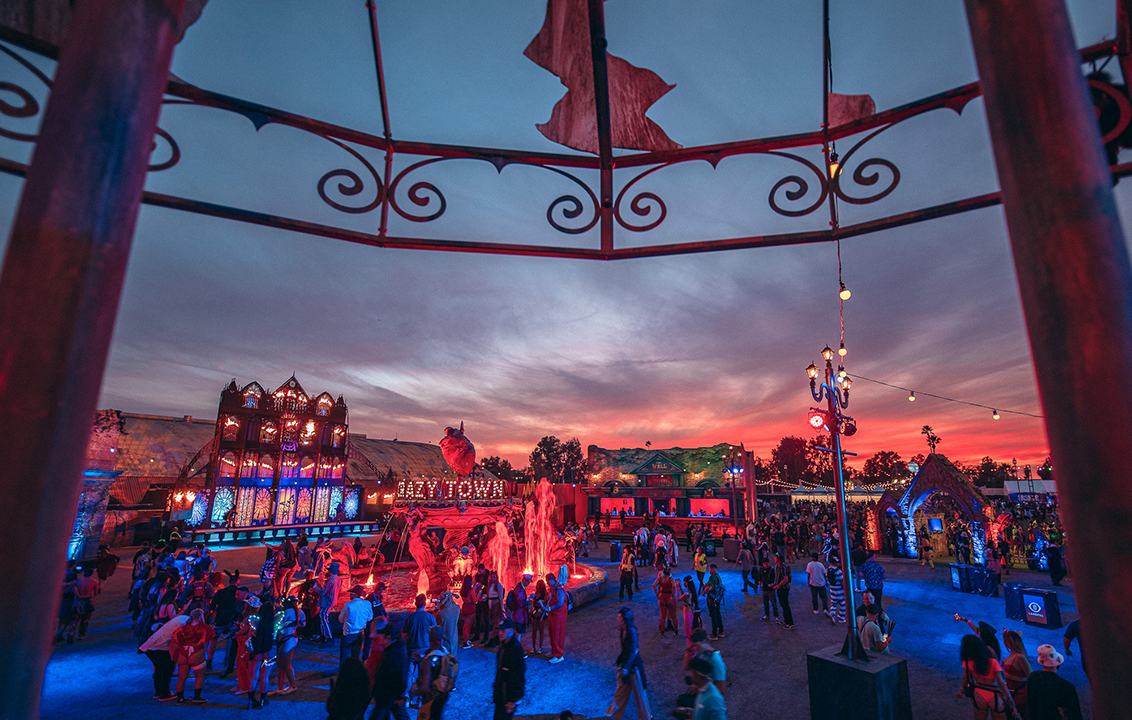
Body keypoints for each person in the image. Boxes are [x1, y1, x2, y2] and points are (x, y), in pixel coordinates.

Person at [957, 634, 1017, 720]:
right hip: (994, 695)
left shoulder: (967, 662)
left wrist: (962, 690)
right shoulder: (993, 662)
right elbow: (1001, 683)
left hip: (978, 693)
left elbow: (966, 678)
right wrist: (1012, 704)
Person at [607, 607, 651, 720]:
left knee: (640, 695)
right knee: (620, 693)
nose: (618, 619)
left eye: (620, 617)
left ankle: (646, 718)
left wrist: (626, 667)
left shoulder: (631, 631)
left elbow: (633, 650)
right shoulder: (623, 629)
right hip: (627, 665)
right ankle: (614, 716)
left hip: (634, 667)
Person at [139, 611, 188, 701]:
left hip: (149, 646)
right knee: (167, 669)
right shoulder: (183, 623)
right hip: (158, 647)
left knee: (159, 669)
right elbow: (178, 640)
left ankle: (158, 692)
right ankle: (165, 694)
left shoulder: (180, 619)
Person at [170, 608, 214, 703]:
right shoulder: (204, 628)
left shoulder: (182, 629)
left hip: (183, 653)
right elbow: (211, 637)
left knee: (181, 677)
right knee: (200, 676)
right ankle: (197, 697)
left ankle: (180, 698)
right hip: (196, 653)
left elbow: (175, 640)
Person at [1026, 644, 1081, 720]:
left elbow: (1031, 705)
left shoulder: (1032, 678)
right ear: (1058, 663)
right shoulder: (1066, 687)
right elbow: (1075, 715)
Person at [372, 621, 410, 720]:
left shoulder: (393, 654)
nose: (379, 637)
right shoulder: (393, 649)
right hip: (387, 695)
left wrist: (399, 696)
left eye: (382, 635)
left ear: (388, 638)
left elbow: (399, 675)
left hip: (389, 696)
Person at [418, 625, 457, 719]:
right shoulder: (447, 655)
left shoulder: (429, 660)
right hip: (442, 696)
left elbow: (424, 687)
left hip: (430, 698)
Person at [247, 597, 276, 710]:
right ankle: (263, 700)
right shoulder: (274, 622)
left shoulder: (255, 621)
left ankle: (250, 701)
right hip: (268, 651)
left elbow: (251, 635)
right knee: (265, 677)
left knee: (253, 677)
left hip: (257, 651)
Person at [493, 619, 526, 720]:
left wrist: (513, 699)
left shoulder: (515, 650)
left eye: (503, 630)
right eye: (499, 630)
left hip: (507, 699)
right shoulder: (503, 648)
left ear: (511, 630)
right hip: (500, 697)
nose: (500, 633)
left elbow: (519, 675)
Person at [273, 595, 304, 694]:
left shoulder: (286, 612)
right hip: (292, 638)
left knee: (286, 664)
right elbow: (303, 625)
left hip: (287, 640)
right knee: (280, 664)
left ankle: (293, 685)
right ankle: (280, 687)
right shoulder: (300, 612)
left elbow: (277, 624)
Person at [340, 584, 373, 666]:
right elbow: (370, 618)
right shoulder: (367, 604)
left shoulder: (348, 605)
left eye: (351, 593)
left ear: (355, 594)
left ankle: (343, 672)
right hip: (360, 633)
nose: (350, 594)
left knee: (344, 655)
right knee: (355, 656)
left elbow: (340, 619)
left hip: (348, 634)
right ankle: (354, 672)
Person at [1000, 630, 1030, 717]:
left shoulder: (1020, 657)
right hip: (1010, 692)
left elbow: (1030, 675)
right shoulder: (1017, 656)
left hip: (1020, 693)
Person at [403, 593, 438, 660]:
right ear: (425, 604)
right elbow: (435, 633)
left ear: (415, 603)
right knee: (424, 668)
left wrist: (406, 647)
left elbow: (404, 635)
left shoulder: (409, 617)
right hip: (426, 648)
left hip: (412, 648)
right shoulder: (430, 617)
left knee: (411, 669)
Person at [545, 572, 568, 663]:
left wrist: (549, 608)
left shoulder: (559, 589)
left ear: (552, 580)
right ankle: (554, 651)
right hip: (552, 614)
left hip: (559, 615)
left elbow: (560, 603)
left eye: (548, 581)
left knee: (558, 634)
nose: (547, 583)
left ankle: (559, 655)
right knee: (552, 633)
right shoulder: (551, 589)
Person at [318, 563, 342, 643]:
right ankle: (324, 635)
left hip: (327, 602)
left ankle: (329, 637)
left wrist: (315, 587)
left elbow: (323, 592)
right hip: (332, 601)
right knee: (322, 616)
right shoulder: (338, 579)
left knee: (324, 617)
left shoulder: (330, 580)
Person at [701, 564, 726, 638]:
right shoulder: (717, 576)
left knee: (713, 616)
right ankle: (721, 631)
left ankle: (714, 634)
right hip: (717, 598)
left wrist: (704, 591)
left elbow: (709, 588)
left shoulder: (712, 577)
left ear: (711, 569)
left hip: (712, 600)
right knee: (718, 614)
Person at [770, 555, 794, 630]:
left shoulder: (783, 567)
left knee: (785, 605)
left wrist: (777, 586)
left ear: (779, 559)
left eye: (775, 557)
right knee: (783, 605)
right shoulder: (777, 566)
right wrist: (774, 584)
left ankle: (790, 623)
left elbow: (785, 579)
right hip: (780, 589)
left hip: (784, 589)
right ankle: (786, 621)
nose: (774, 558)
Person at [677, 576, 701, 647]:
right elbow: (684, 597)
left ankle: (691, 650)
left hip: (687, 613)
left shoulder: (687, 594)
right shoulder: (692, 592)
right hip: (691, 612)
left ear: (686, 583)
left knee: (688, 633)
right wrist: (680, 587)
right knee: (691, 630)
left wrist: (676, 588)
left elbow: (678, 598)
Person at [655, 567, 679, 637]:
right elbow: (673, 587)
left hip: (662, 597)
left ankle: (662, 633)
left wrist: (657, 595)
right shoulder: (671, 579)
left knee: (662, 616)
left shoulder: (660, 579)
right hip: (669, 597)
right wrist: (672, 595)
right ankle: (676, 632)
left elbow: (653, 586)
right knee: (673, 616)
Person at [528, 579, 550, 654]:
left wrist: (541, 610)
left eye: (539, 585)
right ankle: (533, 647)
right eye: (537, 584)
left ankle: (540, 647)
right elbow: (533, 603)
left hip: (542, 614)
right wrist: (533, 611)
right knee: (534, 631)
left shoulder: (545, 594)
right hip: (535, 614)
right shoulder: (536, 593)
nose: (537, 586)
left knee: (541, 631)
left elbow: (547, 604)